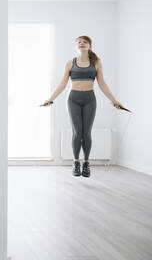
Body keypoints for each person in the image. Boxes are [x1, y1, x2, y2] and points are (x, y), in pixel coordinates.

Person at [41, 36, 123, 177]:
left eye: (85, 42)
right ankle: (76, 162)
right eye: (79, 42)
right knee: (77, 132)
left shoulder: (96, 62)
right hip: (73, 99)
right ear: (76, 46)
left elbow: (102, 83)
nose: (81, 43)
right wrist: (51, 99)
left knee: (86, 133)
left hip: (90, 99)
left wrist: (114, 100)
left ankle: (86, 163)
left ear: (90, 46)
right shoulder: (70, 63)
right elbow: (62, 84)